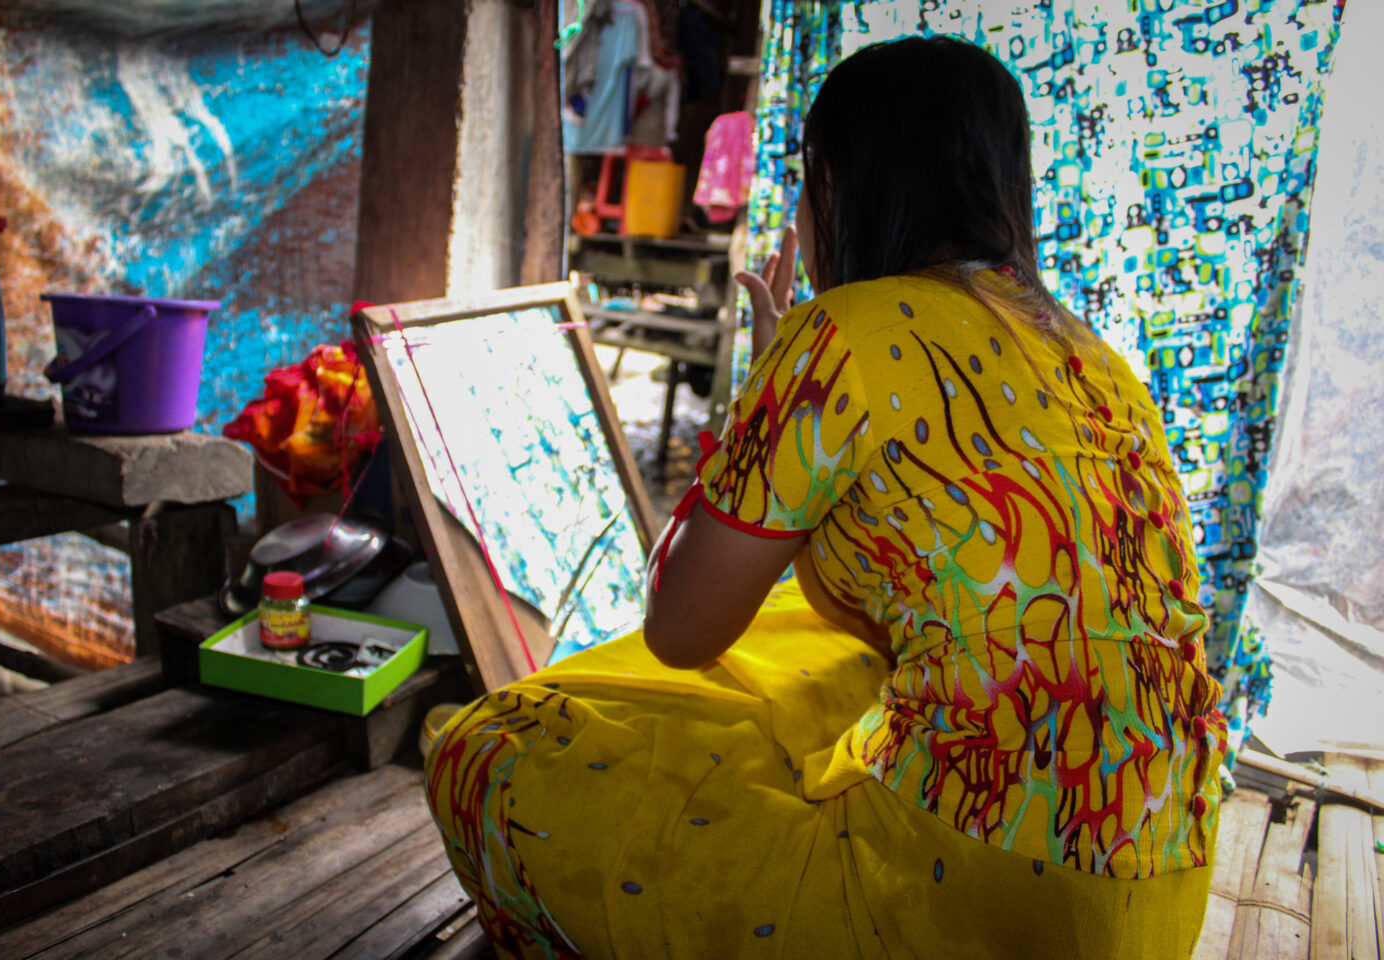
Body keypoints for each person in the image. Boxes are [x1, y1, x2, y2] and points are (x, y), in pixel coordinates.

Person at [425, 35, 1225, 959]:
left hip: (963, 890)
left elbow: (680, 631)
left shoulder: (841, 333)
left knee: (487, 751)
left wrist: (756, 405)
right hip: (1162, 889)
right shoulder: (1097, 361)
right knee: (820, 659)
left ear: (837, 183)